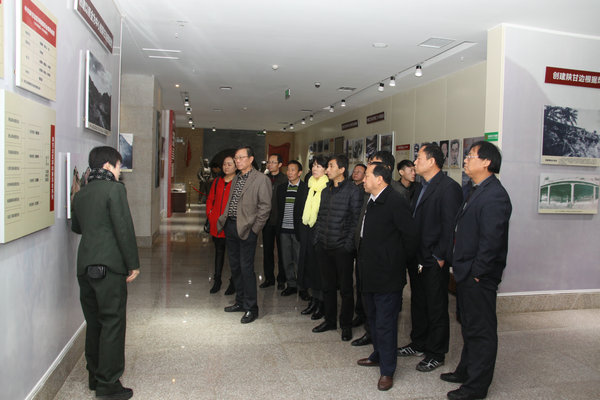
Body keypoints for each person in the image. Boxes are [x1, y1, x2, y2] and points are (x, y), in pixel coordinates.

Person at [441, 141, 512, 400]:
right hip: (466, 271)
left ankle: (476, 387)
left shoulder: (495, 195)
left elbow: (491, 241)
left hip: (479, 276)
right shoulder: (474, 190)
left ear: (486, 162)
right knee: (469, 326)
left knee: (481, 331)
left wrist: (477, 273)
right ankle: (465, 371)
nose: (466, 160)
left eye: (471, 156)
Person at [71, 146, 140, 400]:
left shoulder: (81, 193)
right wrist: (133, 263)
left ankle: (94, 375)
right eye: (119, 166)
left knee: (94, 323)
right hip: (109, 268)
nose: (120, 172)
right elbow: (124, 228)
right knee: (112, 322)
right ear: (109, 165)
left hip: (85, 266)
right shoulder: (115, 190)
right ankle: (108, 383)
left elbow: (77, 227)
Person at [398, 143, 462, 372]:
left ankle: (436, 352)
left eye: (419, 158)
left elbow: (449, 226)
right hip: (417, 256)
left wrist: (440, 256)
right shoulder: (421, 186)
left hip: (434, 258)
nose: (415, 162)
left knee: (436, 306)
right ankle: (418, 342)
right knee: (418, 302)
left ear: (432, 161)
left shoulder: (448, 188)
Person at [356, 162, 417, 391]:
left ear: (379, 179)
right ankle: (378, 354)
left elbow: (410, 238)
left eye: (367, 176)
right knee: (372, 319)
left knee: (386, 323)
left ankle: (388, 370)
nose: (363, 179)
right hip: (368, 272)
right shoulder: (371, 200)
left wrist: (394, 262)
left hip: (387, 275)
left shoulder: (395, 201)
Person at [217, 146, 272, 324]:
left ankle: (251, 307)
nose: (237, 161)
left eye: (241, 158)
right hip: (231, 226)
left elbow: (265, 207)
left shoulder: (261, 179)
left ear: (251, 159)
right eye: (236, 158)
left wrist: (255, 230)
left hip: (248, 229)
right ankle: (240, 301)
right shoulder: (236, 178)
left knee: (246, 268)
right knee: (235, 267)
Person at [312, 154, 362, 342]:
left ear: (342, 169)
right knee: (327, 286)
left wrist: (347, 245)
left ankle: (346, 324)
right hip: (324, 245)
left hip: (342, 248)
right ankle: (330, 320)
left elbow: (355, 221)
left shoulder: (353, 191)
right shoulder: (326, 191)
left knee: (346, 289)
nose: (327, 170)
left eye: (331, 166)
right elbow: (320, 217)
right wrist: (317, 239)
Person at [298, 156, 329, 318]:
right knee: (310, 267)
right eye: (314, 166)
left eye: (319, 166)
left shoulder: (327, 187)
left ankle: (322, 303)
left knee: (320, 270)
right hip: (308, 230)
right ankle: (314, 300)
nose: (315, 169)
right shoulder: (309, 186)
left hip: (321, 232)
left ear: (326, 169)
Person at [276, 160, 308, 296]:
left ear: (299, 173)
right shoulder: (281, 188)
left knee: (300, 260)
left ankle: (302, 287)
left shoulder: (306, 189)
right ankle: (291, 285)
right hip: (284, 230)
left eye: (293, 170)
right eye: (288, 169)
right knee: (286, 259)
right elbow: (278, 209)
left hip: (298, 231)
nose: (289, 172)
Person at [206, 154, 237, 294]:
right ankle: (217, 280)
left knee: (233, 255)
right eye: (224, 164)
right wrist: (210, 214)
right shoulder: (217, 181)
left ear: (236, 167)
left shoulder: (238, 182)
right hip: (217, 224)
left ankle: (233, 282)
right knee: (218, 253)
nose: (226, 167)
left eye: (230, 164)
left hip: (231, 224)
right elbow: (210, 199)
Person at [260, 153, 288, 290]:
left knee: (282, 252)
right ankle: (269, 278)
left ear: (280, 164)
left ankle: (282, 279)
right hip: (266, 221)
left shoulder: (285, 180)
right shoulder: (263, 179)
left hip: (281, 220)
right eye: (269, 162)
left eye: (273, 162)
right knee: (267, 251)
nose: (270, 164)